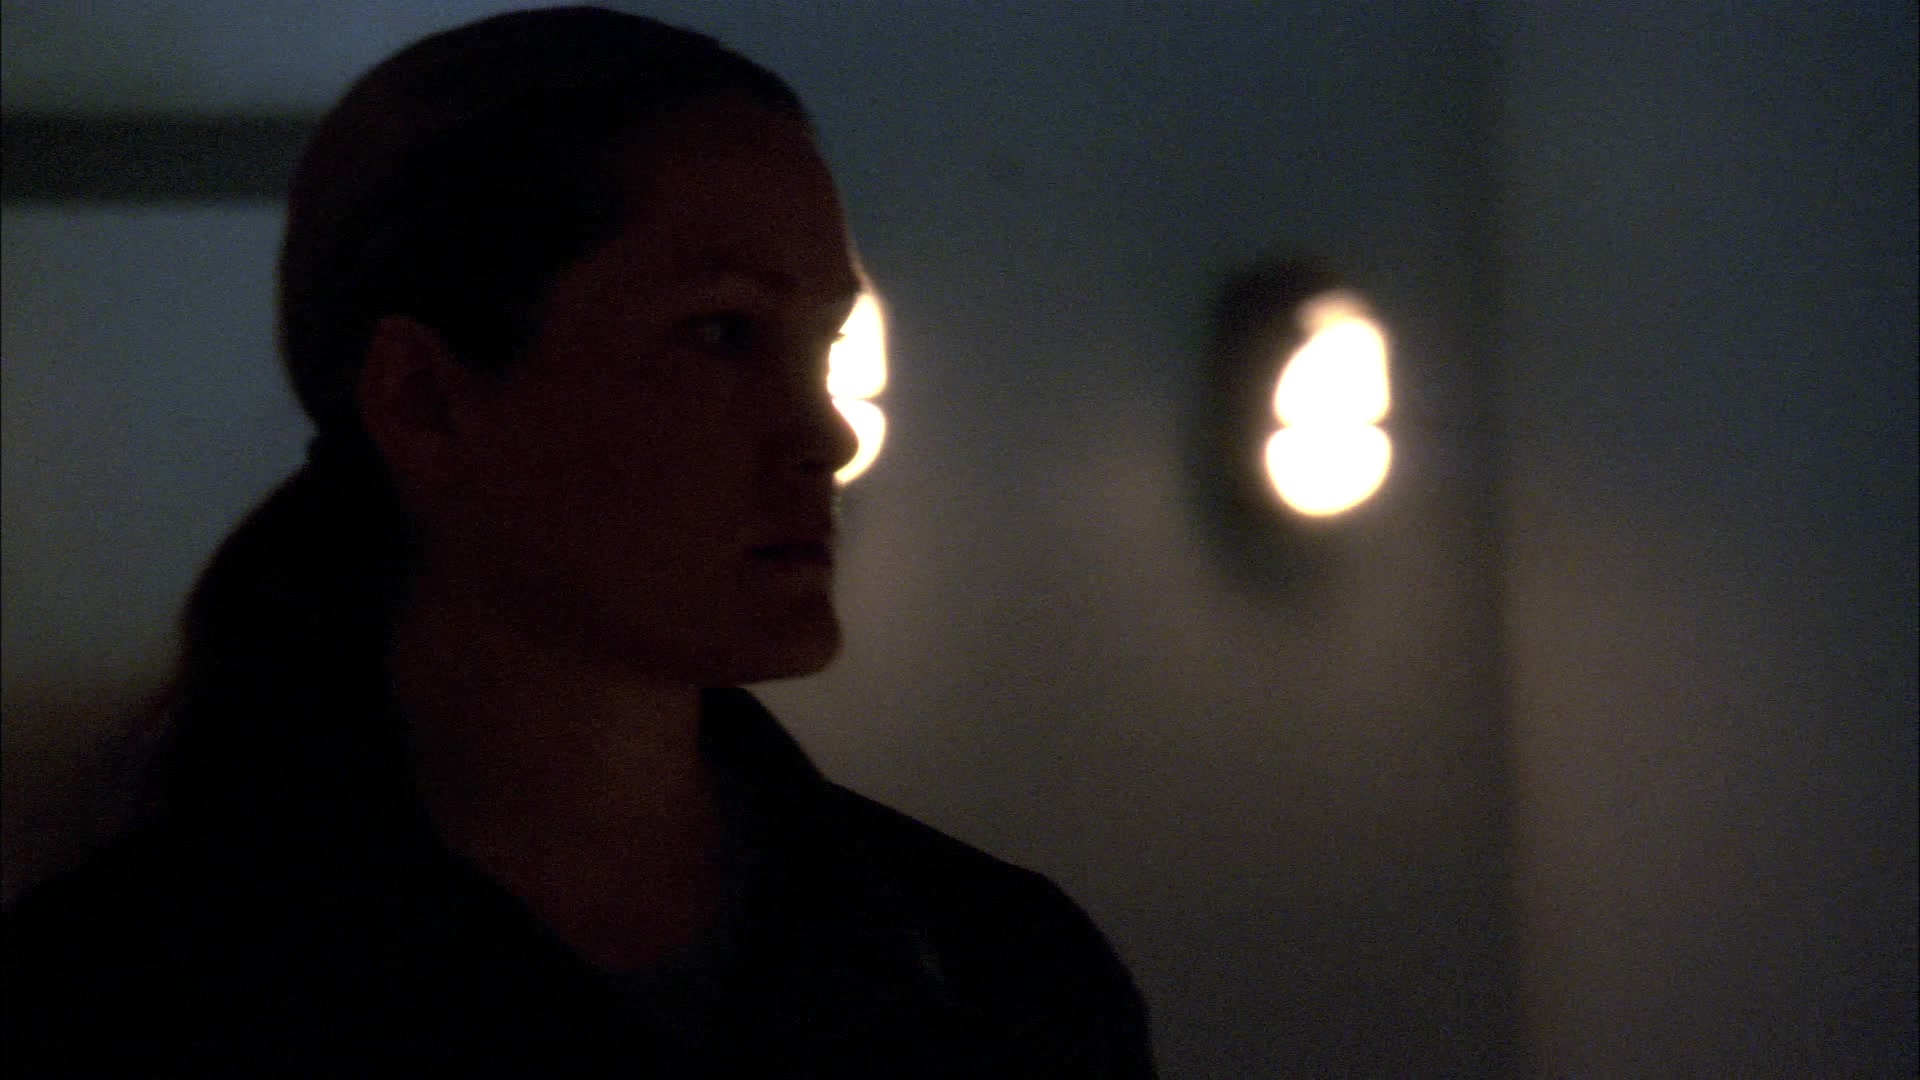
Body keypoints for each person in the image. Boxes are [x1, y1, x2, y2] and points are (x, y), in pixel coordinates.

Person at [2, 8, 1153, 1075]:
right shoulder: (120, 1005)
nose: (828, 435)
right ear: (424, 400)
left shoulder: (995, 970)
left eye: (823, 346)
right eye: (721, 334)